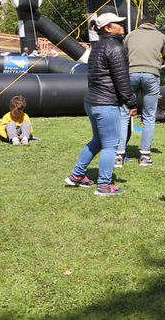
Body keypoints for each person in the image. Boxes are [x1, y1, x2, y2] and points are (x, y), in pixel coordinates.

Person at [66, 12, 137, 197]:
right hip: (106, 103)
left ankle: (77, 175)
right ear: (108, 28)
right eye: (118, 23)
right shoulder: (115, 48)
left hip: (92, 101)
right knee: (111, 145)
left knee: (97, 141)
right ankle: (104, 185)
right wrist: (131, 101)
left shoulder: (97, 47)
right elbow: (121, 79)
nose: (122, 26)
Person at [122, 17, 165, 167]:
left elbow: (122, 58)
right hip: (152, 76)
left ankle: (119, 154)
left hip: (131, 75)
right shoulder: (161, 37)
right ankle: (145, 156)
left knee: (124, 113)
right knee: (149, 116)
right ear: (153, 25)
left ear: (139, 25)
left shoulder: (130, 36)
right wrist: (163, 70)